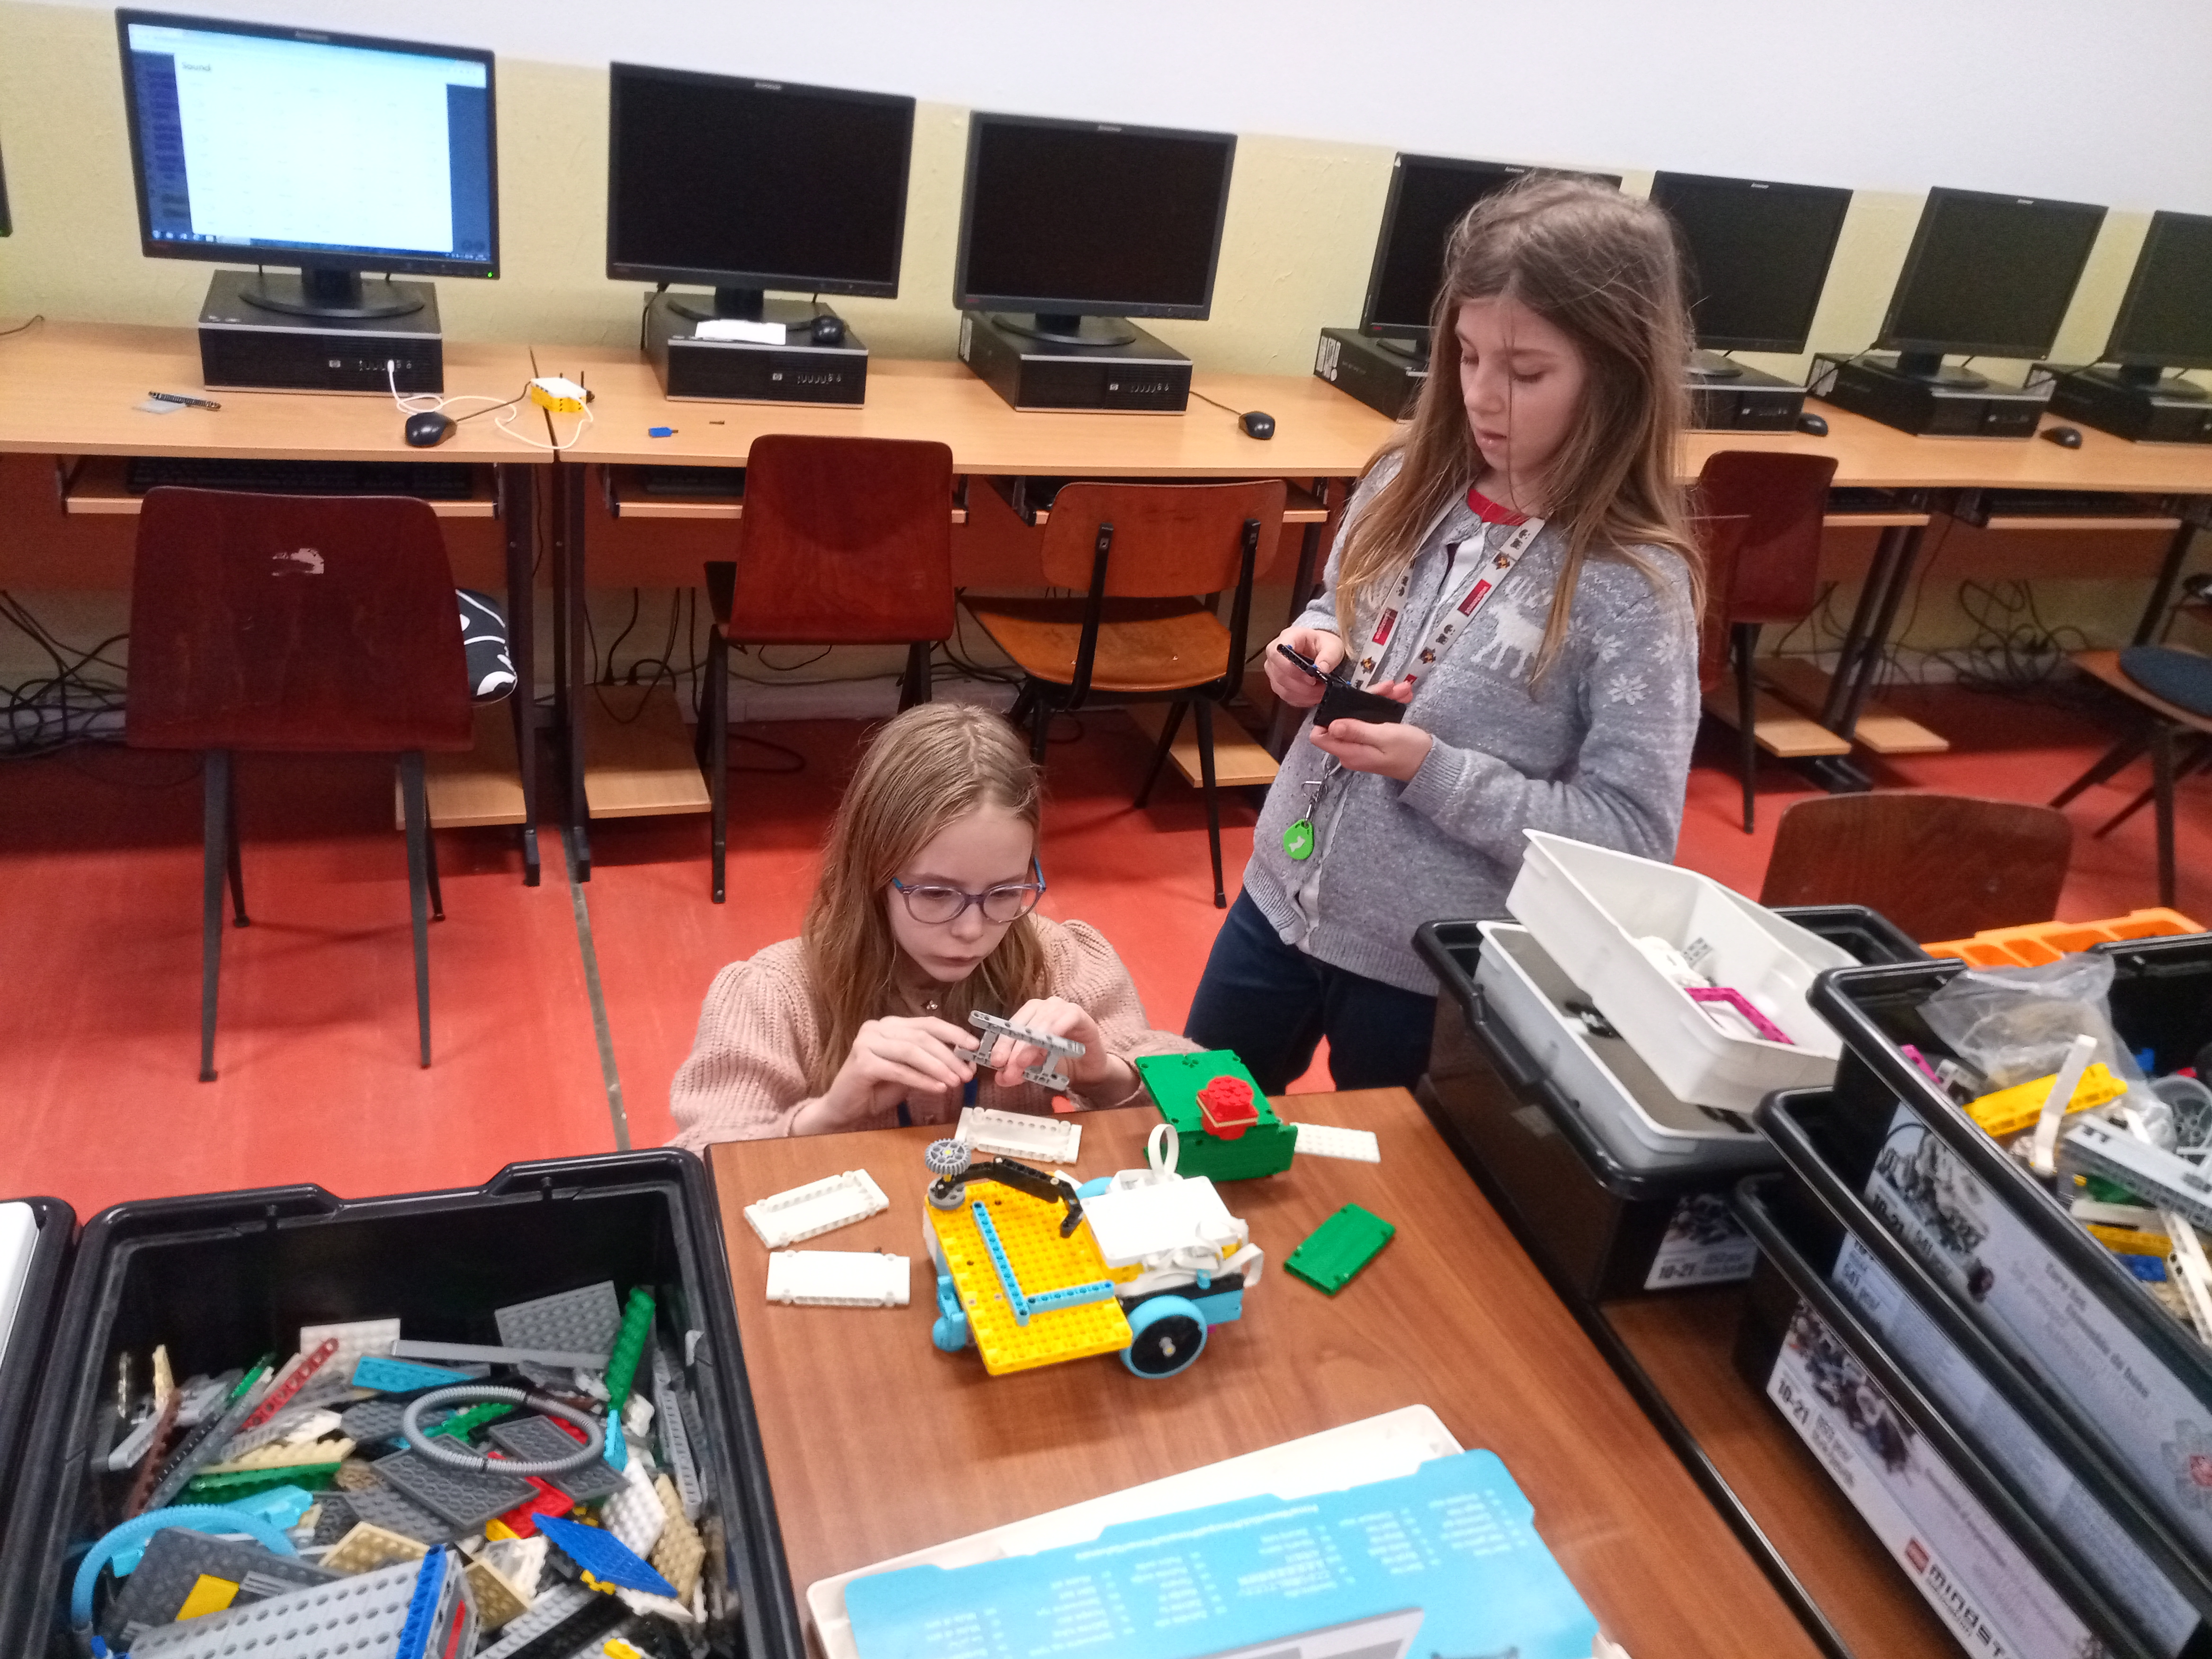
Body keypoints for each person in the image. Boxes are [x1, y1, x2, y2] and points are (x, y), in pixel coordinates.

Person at [1186, 176, 1705, 1096]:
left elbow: (1627, 836)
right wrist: (1311, 648)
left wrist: (1435, 772)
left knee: (1401, 1179)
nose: (1481, 397)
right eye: (1465, 356)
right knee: (1193, 1124)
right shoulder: (1403, 479)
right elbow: (1341, 609)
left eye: (1525, 373)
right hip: (1275, 900)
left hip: (1429, 967)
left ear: (1616, 372)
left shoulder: (1633, 586)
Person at [669, 703, 1191, 1147]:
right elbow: (696, 1159)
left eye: (1005, 892)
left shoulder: (1059, 961)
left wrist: (1107, 1075)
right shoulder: (773, 996)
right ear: (871, 872)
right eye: (936, 894)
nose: (971, 930)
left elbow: (1205, 1093)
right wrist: (827, 1115)